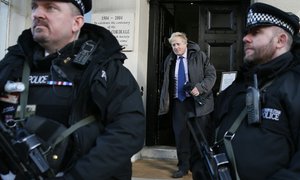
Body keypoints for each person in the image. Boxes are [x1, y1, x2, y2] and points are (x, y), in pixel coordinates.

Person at [0, 0, 145, 179]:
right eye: (34, 6)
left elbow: (128, 131)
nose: (37, 14)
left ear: (76, 23)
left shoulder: (105, 68)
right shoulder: (13, 62)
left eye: (50, 7)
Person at [213, 2, 300, 180]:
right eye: (247, 32)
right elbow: (211, 131)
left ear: (280, 40)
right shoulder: (238, 85)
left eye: (255, 32)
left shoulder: (295, 85)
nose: (245, 38)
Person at [158, 32, 216, 179]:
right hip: (179, 103)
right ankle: (183, 167)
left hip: (198, 103)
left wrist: (200, 88)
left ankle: (200, 166)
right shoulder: (169, 60)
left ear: (185, 43)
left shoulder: (199, 56)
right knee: (180, 135)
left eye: (178, 44)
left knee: (199, 136)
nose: (176, 47)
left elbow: (211, 75)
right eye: (173, 45)